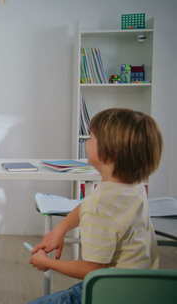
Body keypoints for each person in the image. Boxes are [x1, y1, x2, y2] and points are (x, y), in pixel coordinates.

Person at [28, 108, 163, 304]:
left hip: (112, 293)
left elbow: (93, 271)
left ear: (110, 152)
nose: (86, 141)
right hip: (142, 286)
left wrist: (47, 262)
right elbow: (85, 207)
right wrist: (60, 229)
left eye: (91, 137)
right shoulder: (133, 187)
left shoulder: (99, 206)